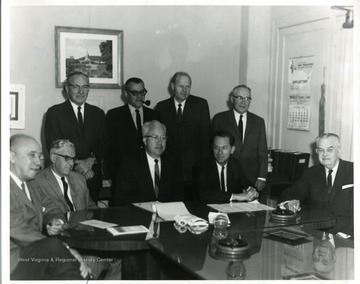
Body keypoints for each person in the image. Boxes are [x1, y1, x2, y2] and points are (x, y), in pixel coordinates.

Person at [33, 139, 121, 279]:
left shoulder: (79, 178)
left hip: (87, 238)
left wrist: (104, 220)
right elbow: (43, 217)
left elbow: (91, 207)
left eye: (73, 159)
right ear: (54, 157)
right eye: (67, 158)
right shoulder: (37, 181)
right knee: (92, 261)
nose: (72, 163)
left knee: (122, 257)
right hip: (63, 243)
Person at [10, 134, 91, 280]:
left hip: (36, 253)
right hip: (13, 262)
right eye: (32, 155)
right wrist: (66, 249)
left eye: (40, 156)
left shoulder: (31, 183)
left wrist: (54, 220)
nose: (38, 162)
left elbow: (49, 207)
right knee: (66, 259)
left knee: (74, 271)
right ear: (11, 156)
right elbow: (19, 229)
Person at [44, 71, 105, 202]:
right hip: (65, 175)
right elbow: (53, 145)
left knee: (92, 217)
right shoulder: (54, 113)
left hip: (92, 177)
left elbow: (104, 144)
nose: (81, 91)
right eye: (76, 86)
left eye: (85, 87)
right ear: (67, 89)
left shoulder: (98, 113)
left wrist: (91, 160)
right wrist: (78, 164)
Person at [278, 133, 353, 236]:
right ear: (316, 151)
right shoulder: (311, 174)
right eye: (321, 150)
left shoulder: (354, 171)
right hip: (318, 235)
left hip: (347, 236)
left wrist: (345, 234)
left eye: (329, 150)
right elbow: (287, 195)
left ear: (339, 150)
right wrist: (288, 203)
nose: (325, 154)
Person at [156, 72, 211, 198]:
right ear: (172, 86)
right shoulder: (161, 107)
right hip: (169, 170)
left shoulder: (201, 105)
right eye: (181, 86)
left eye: (188, 86)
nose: (184, 90)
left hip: (193, 170)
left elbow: (205, 139)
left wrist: (203, 170)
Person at [105, 77, 161, 188]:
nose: (140, 96)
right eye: (135, 93)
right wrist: (113, 175)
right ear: (126, 94)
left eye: (142, 92)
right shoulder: (113, 115)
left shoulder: (155, 115)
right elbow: (108, 149)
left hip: (149, 174)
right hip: (123, 174)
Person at [112, 120, 184, 206]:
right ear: (145, 140)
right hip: (138, 215)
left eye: (163, 138)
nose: (160, 142)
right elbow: (121, 198)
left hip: (168, 215)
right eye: (155, 137)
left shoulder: (174, 162)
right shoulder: (129, 162)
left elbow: (179, 196)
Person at [212, 85, 268, 192]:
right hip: (227, 175)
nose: (243, 102)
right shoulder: (219, 119)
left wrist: (262, 176)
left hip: (251, 177)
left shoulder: (258, 122)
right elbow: (214, 149)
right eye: (240, 98)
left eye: (247, 98)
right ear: (232, 99)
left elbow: (262, 151)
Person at [194, 130, 258, 203]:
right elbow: (204, 194)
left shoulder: (235, 164)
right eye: (216, 148)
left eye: (224, 148)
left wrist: (251, 191)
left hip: (231, 209)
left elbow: (245, 183)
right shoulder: (201, 166)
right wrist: (236, 196)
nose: (220, 152)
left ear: (232, 149)